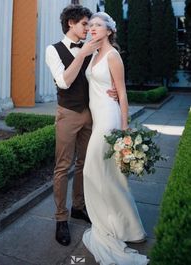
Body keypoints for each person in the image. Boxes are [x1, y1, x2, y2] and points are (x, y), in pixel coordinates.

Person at [45, 5, 117, 247]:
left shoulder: (94, 50)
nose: (89, 28)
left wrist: (113, 91)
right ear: (71, 24)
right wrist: (82, 53)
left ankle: (78, 206)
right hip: (67, 114)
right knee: (63, 167)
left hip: (91, 114)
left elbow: (101, 76)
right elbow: (64, 82)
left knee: (85, 164)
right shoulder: (52, 50)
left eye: (91, 24)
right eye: (85, 24)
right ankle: (60, 218)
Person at [82, 12, 149, 265]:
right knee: (107, 174)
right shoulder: (93, 54)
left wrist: (125, 130)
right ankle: (127, 228)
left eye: (98, 25)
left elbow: (121, 93)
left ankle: (122, 226)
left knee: (93, 170)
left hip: (110, 120)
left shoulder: (112, 55)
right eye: (91, 26)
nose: (92, 28)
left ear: (109, 31)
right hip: (98, 117)